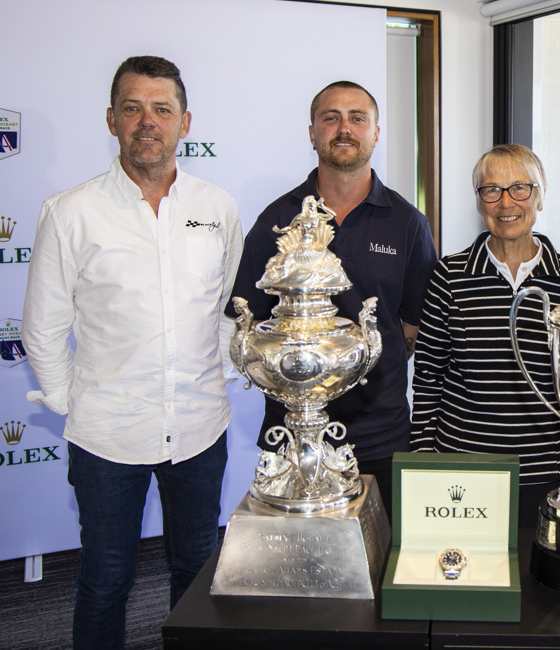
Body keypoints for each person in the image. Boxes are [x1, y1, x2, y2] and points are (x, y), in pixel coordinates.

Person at [21, 55, 242, 649]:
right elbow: (42, 326)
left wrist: (210, 374)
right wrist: (77, 402)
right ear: (112, 120)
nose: (148, 121)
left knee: (196, 570)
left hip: (199, 427)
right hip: (105, 434)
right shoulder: (70, 212)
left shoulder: (217, 208)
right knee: (106, 578)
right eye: (133, 108)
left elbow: (227, 309)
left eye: (162, 109)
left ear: (185, 122)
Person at [228, 81, 437, 518]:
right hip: (291, 434)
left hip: (382, 433)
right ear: (312, 133)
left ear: (376, 133)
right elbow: (250, 322)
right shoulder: (278, 220)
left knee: (381, 563)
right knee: (298, 569)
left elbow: (413, 328)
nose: (345, 128)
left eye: (357, 118)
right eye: (331, 118)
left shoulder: (407, 223)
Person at [411, 144, 560, 527]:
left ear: (540, 198)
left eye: (520, 188)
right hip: (464, 475)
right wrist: (424, 462)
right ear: (479, 203)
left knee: (539, 583)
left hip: (549, 474)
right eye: (491, 190)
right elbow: (428, 378)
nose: (506, 202)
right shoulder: (449, 277)